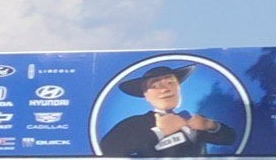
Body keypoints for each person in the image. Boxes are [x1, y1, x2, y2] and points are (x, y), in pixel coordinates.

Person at [98, 63, 233, 155]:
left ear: (179, 88)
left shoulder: (194, 121)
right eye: (155, 85)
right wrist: (159, 132)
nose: (165, 89)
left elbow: (230, 138)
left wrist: (211, 125)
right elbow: (107, 150)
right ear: (145, 95)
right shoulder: (133, 124)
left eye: (170, 82)